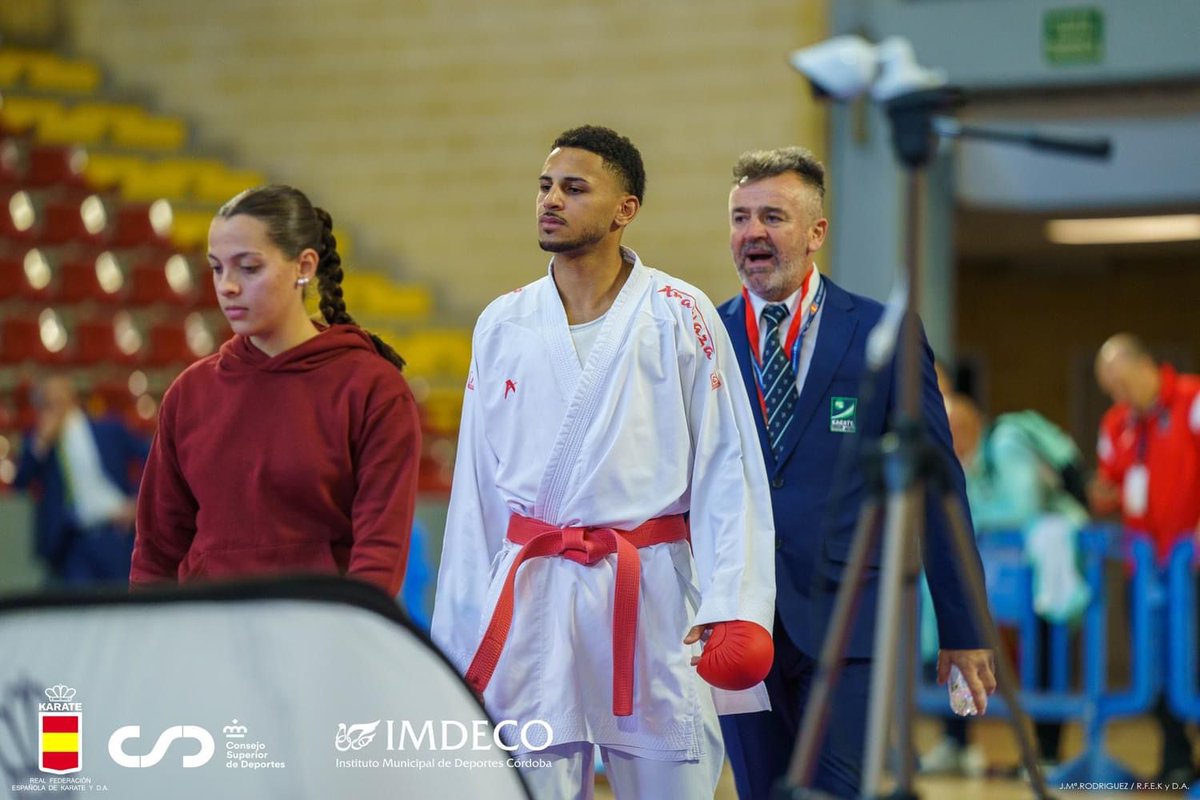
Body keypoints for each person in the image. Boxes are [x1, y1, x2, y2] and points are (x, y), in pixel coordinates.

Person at [430, 125, 776, 800]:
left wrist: (738, 605)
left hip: (649, 595)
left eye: (574, 188)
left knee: (671, 782)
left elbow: (726, 469)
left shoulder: (680, 314)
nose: (551, 200)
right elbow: (476, 496)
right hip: (532, 596)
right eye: (545, 186)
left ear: (626, 209)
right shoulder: (502, 322)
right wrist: (458, 635)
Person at [714, 146, 996, 799]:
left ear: (816, 233)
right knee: (761, 791)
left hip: (852, 623)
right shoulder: (705, 333)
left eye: (773, 217)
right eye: (740, 217)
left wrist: (964, 626)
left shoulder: (882, 331)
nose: (753, 233)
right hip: (741, 621)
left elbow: (937, 485)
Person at [131, 185, 421, 596]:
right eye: (217, 268)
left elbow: (380, 555)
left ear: (304, 266)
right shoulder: (189, 393)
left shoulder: (373, 389)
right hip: (205, 638)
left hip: (318, 640)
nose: (227, 286)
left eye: (248, 268)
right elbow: (156, 552)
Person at [920, 393, 1089, 776]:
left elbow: (1022, 507)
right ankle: (957, 741)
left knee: (1047, 649)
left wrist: (970, 517)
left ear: (970, 426)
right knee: (957, 634)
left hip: (1044, 572)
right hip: (1002, 579)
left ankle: (1046, 753)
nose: (948, 440)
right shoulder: (962, 466)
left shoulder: (1007, 443)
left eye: (953, 431)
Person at [1090, 333, 1200, 784]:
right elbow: (1109, 484)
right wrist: (1100, 495)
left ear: (1144, 365)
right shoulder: (1117, 423)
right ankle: (1176, 760)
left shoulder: (1191, 399)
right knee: (1153, 665)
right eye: (1109, 389)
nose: (1118, 395)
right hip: (1145, 570)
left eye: (1120, 383)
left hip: (1191, 564)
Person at [13, 374, 150, 585]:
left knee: (123, 606)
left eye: (59, 397)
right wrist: (42, 441)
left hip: (114, 534)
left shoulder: (107, 428)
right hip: (71, 542)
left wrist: (137, 503)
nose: (55, 404)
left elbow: (155, 458)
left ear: (71, 397)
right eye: (49, 401)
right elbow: (20, 482)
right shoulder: (38, 441)